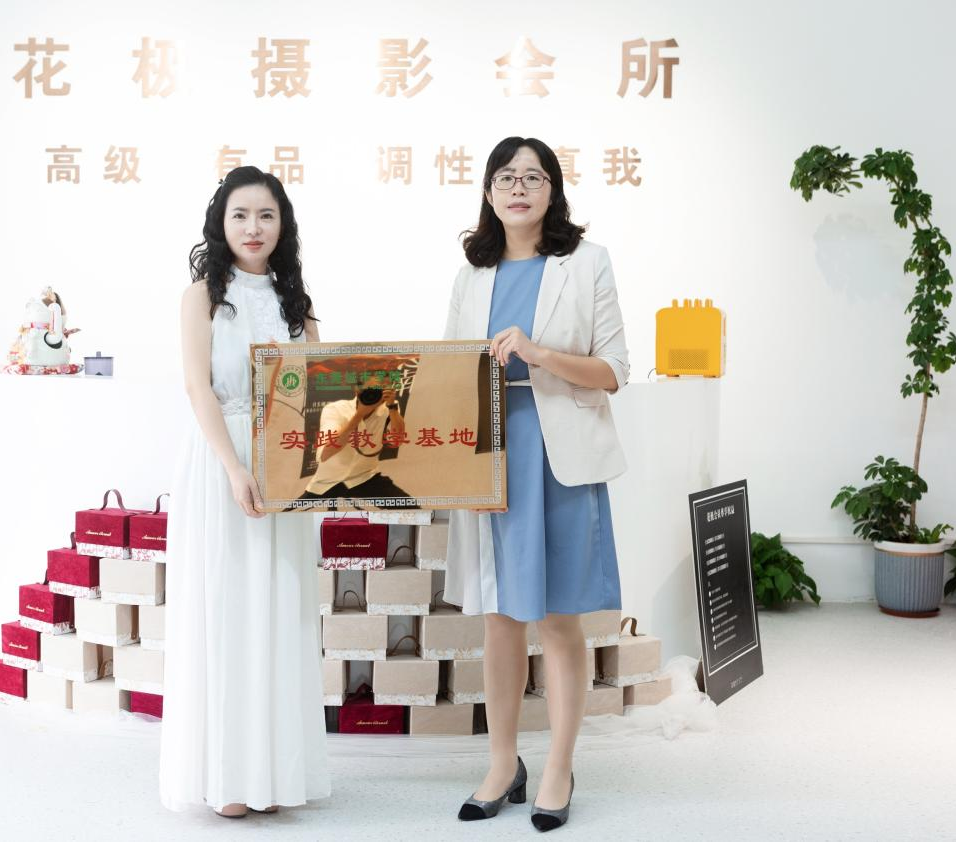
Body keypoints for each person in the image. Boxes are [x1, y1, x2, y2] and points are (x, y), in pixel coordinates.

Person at [443, 137, 630, 832]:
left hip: (560, 456)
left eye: (533, 176)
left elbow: (613, 371)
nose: (518, 188)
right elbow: (450, 368)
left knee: (557, 618)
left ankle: (559, 766)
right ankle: (502, 764)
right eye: (505, 177)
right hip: (491, 455)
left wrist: (538, 353)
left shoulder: (588, 262)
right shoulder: (472, 272)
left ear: (553, 190)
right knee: (499, 616)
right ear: (489, 193)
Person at [159, 166, 330, 818]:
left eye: (266, 215)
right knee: (226, 610)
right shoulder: (201, 297)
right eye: (240, 215)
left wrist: (318, 474)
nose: (253, 227)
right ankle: (227, 778)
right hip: (221, 462)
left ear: (282, 225)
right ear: (220, 223)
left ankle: (274, 776)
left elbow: (319, 391)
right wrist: (234, 467)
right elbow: (197, 387)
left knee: (279, 610)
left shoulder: (298, 304)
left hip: (284, 467)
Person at [295, 370, 414, 506]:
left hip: (365, 478)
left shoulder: (389, 408)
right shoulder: (336, 409)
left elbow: (397, 441)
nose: (377, 394)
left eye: (383, 389)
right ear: (358, 390)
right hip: (327, 482)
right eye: (372, 389)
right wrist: (359, 415)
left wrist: (392, 407)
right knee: (292, 512)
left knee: (411, 506)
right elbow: (326, 453)